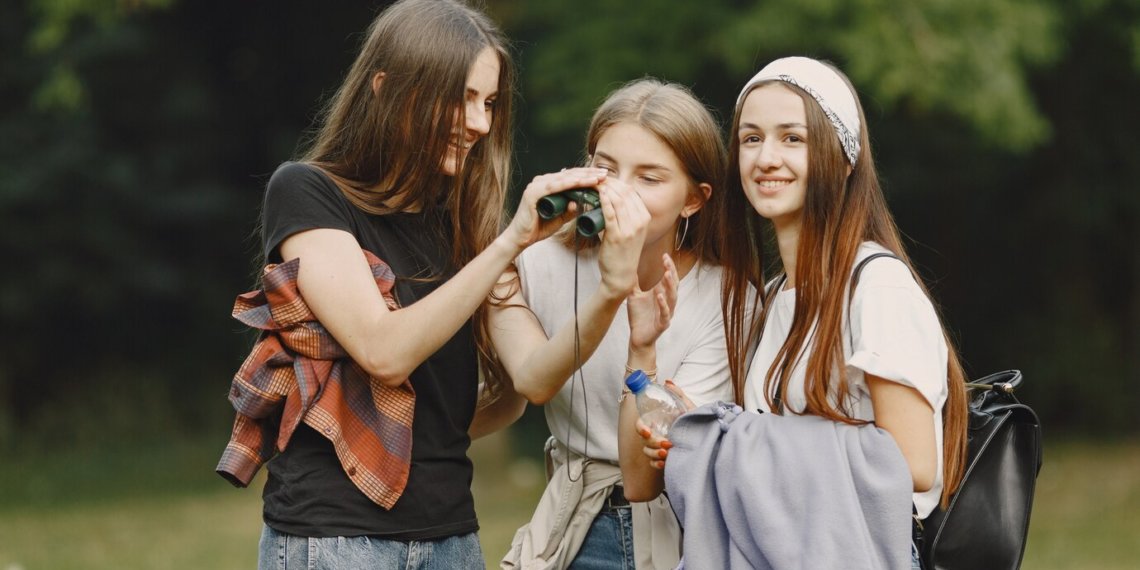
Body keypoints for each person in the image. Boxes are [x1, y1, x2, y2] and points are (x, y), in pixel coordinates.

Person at [215, 1, 617, 567]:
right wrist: (511, 241)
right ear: (386, 87)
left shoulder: (467, 224)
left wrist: (613, 288)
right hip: (337, 539)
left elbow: (524, 385)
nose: (479, 122)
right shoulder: (309, 193)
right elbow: (384, 351)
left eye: (489, 102)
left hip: (452, 537)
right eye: (461, 97)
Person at [630, 57, 969, 569]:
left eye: (793, 138)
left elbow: (914, 464)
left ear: (845, 157)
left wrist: (729, 441)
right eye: (750, 139)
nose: (767, 157)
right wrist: (694, 434)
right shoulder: (772, 296)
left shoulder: (876, 285)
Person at [488, 79, 737, 570]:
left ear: (694, 199)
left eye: (650, 177)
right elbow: (531, 382)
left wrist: (642, 345)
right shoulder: (538, 265)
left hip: (680, 529)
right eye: (605, 168)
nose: (620, 190)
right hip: (574, 519)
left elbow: (646, 474)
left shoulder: (728, 297)